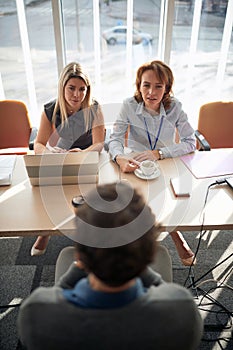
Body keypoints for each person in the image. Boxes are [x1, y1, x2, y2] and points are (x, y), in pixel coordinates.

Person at [18, 182, 203, 350]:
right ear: (149, 254)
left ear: (80, 255)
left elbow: (57, 296)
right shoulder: (183, 311)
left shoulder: (36, 312)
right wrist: (136, 259)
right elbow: (164, 290)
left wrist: (79, 266)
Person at [107, 60, 197, 266]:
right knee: (130, 201)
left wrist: (160, 153)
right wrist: (120, 158)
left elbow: (191, 142)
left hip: (164, 160)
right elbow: (114, 139)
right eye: (146, 85)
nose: (151, 92)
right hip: (135, 161)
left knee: (166, 197)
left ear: (167, 89)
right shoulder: (129, 105)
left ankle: (175, 234)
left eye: (159, 86)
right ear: (139, 86)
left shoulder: (175, 108)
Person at [31, 62, 105, 256]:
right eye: (71, 88)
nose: (77, 95)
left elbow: (99, 144)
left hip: (87, 156)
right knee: (52, 191)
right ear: (62, 87)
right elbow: (38, 144)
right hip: (60, 156)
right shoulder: (50, 110)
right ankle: (46, 230)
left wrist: (82, 152)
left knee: (92, 193)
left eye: (82, 89)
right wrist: (49, 153)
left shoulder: (94, 108)